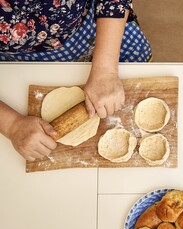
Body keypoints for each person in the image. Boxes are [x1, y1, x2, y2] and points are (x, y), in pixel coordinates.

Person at [0, 0, 151, 161]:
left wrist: (106, 70)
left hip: (98, 28)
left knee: (140, 71)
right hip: (20, 58)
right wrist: (11, 124)